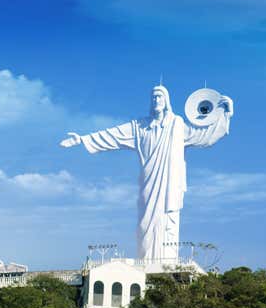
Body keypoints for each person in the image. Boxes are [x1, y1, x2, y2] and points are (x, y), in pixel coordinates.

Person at [60, 85, 233, 260]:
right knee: (144, 225)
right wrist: (83, 139)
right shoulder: (140, 127)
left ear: (166, 101)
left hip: (169, 186)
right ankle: (146, 261)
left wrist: (225, 114)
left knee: (167, 221)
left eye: (160, 97)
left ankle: (166, 261)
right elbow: (113, 135)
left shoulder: (177, 124)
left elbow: (201, 136)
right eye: (154, 97)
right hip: (148, 184)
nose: (156, 100)